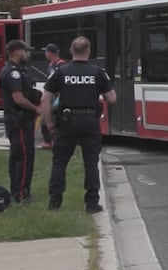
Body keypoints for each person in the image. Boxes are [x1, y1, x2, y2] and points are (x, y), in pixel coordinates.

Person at [41, 36, 116, 213]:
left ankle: (55, 202)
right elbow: (112, 98)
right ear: (88, 51)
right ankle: (91, 203)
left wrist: (50, 123)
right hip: (90, 121)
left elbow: (45, 98)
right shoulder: (97, 72)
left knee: (60, 162)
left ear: (71, 51)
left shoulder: (60, 71)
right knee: (91, 162)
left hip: (66, 121)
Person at [0, 40, 42, 202]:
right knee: (24, 156)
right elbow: (18, 98)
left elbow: (27, 92)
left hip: (18, 119)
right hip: (20, 120)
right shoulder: (13, 72)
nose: (28, 54)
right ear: (17, 52)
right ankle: (21, 194)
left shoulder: (16, 70)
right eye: (26, 51)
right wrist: (36, 108)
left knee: (18, 156)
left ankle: (17, 190)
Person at [39, 43, 66, 149]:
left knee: (51, 117)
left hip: (56, 97)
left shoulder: (60, 64)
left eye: (46, 51)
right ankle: (49, 140)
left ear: (50, 53)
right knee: (46, 117)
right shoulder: (51, 64)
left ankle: (52, 140)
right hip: (52, 96)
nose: (45, 54)